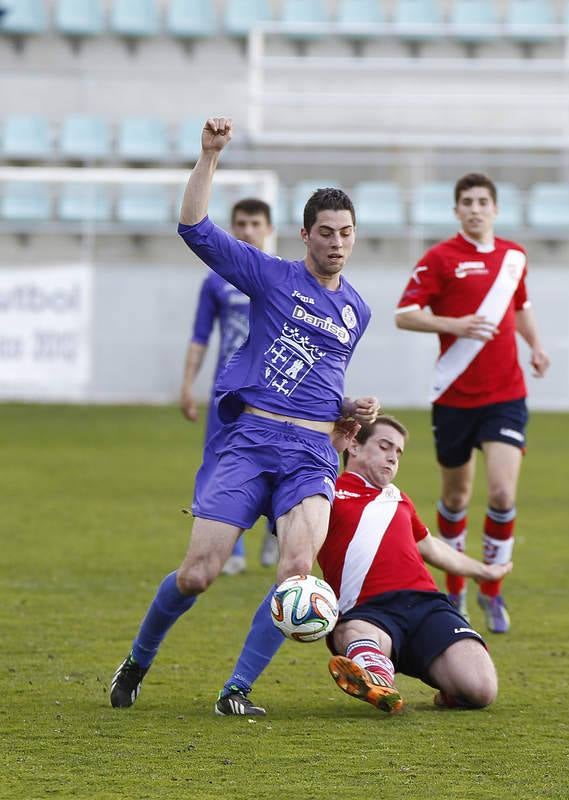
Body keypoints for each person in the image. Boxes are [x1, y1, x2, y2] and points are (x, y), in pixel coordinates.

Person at [110, 116, 378, 711]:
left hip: (310, 454)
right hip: (251, 441)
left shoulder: (358, 312)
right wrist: (209, 156)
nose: (337, 242)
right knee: (199, 573)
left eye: (347, 233)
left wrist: (348, 408)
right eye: (327, 232)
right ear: (305, 235)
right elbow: (195, 228)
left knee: (296, 574)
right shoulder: (270, 275)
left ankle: (237, 689)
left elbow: (322, 384)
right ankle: (138, 659)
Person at [215, 415, 510, 717]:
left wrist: (484, 571)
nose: (393, 457)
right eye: (385, 446)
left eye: (398, 452)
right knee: (356, 635)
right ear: (354, 446)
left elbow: (431, 547)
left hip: (427, 607)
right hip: (367, 612)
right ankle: (378, 681)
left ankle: (448, 687)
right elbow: (294, 520)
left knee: (482, 690)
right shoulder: (324, 493)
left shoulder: (399, 499)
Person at [395, 173, 550, 634]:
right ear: (457, 210)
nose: (476, 208)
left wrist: (536, 345)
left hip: (506, 395)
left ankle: (493, 591)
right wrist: (454, 324)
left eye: (483, 201)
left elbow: (520, 306)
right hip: (454, 398)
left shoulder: (514, 257)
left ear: (495, 209)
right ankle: (456, 589)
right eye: (467, 201)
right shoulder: (440, 259)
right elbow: (405, 315)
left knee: (502, 493)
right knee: (456, 497)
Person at [180, 197, 278, 575]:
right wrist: (187, 384)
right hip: (227, 393)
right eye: (241, 224)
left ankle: (274, 528)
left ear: (269, 228)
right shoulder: (215, 281)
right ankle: (232, 552)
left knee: (275, 463)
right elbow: (200, 336)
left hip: (274, 392)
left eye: (255, 224)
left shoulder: (285, 276)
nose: (248, 231)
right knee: (222, 466)